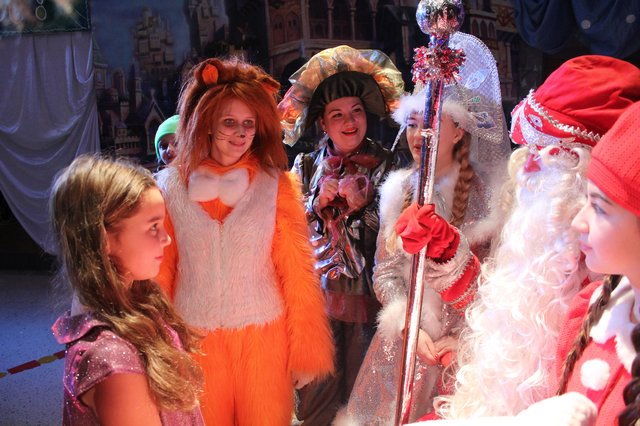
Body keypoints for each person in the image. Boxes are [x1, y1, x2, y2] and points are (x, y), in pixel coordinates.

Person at [435, 56, 640, 420]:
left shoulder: (600, 276)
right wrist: (450, 259)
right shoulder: (589, 290)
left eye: (545, 153)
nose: (525, 167)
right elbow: (512, 316)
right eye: (528, 149)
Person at [335, 31, 510, 425]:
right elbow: (385, 272)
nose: (419, 136)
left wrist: (463, 337)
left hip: (462, 350)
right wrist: (407, 324)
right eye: (412, 124)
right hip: (406, 346)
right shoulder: (398, 190)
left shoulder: (489, 198)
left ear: (459, 130)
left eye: (430, 123)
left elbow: (496, 280)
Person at [154, 57, 334, 425]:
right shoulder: (168, 187)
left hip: (263, 339)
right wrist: (157, 344)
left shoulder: (276, 185)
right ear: (206, 124)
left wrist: (307, 350)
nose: (240, 133)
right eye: (229, 123)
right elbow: (159, 273)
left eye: (248, 124)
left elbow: (298, 272)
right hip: (193, 339)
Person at [279, 45, 404, 425]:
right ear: (323, 123)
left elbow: (397, 236)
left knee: (366, 402)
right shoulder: (304, 166)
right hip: (317, 307)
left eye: (356, 111)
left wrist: (366, 206)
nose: (349, 122)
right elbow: (286, 233)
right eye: (337, 114)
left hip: (370, 303)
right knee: (316, 406)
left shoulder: (389, 164)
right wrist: (315, 203)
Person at [50, 155, 204, 425]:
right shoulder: (114, 364)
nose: (167, 238)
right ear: (104, 239)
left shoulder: (139, 298)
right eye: (153, 227)